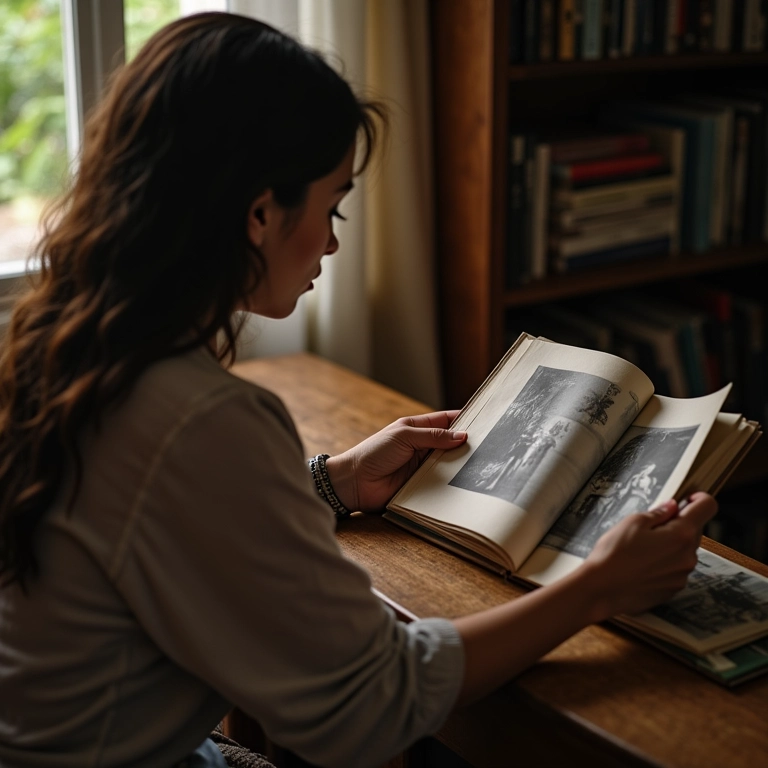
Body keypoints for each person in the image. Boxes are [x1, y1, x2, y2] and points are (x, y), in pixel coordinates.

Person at [0, 12, 717, 768]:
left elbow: (156, 525)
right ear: (259, 213)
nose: (334, 241)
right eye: (332, 205)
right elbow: (372, 703)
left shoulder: (60, 339)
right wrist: (598, 589)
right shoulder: (198, 415)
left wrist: (332, 484)